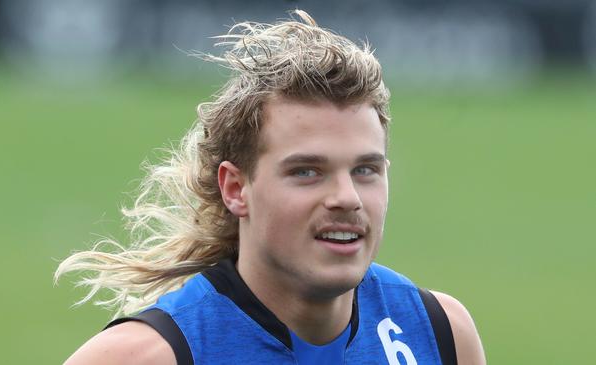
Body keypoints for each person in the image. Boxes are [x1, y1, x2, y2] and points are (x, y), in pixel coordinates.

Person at [56, 10, 486, 365]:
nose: (347, 198)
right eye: (307, 172)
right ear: (236, 189)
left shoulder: (439, 334)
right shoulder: (146, 356)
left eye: (365, 170)